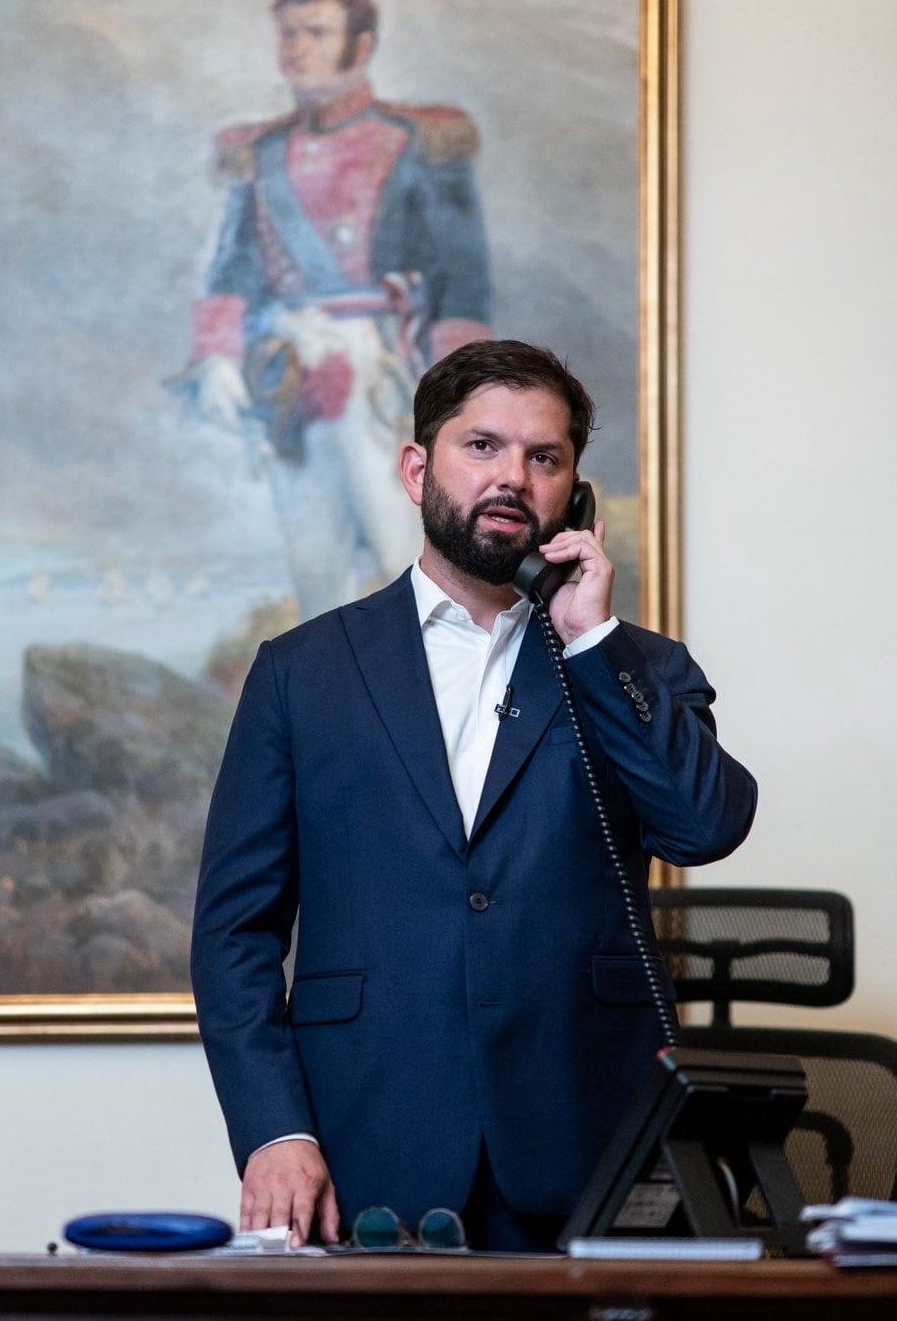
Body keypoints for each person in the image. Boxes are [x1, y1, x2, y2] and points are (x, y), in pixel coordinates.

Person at [191, 340, 758, 1252]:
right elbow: (235, 932)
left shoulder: (633, 665)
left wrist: (594, 641)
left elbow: (704, 826)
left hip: (592, 1149)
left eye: (545, 458)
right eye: (482, 447)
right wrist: (274, 1130)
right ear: (418, 468)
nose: (513, 478)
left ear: (574, 493)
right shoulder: (300, 674)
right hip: (364, 1148)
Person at [180, 0, 496, 620]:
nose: (295, 47)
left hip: (389, 373)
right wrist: (216, 355)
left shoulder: (418, 142)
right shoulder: (260, 153)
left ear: (360, 44)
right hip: (290, 381)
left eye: (315, 32)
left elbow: (459, 278)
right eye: (288, 33)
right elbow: (235, 265)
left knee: (405, 555)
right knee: (315, 566)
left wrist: (456, 400)